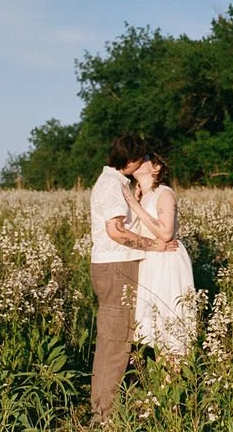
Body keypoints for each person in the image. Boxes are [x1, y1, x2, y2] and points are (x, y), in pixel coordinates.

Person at [89, 134, 178, 421]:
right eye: (139, 159)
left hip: (119, 265)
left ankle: (107, 411)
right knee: (114, 344)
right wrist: (156, 246)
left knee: (118, 341)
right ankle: (103, 416)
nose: (144, 162)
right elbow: (116, 231)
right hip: (116, 267)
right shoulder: (111, 186)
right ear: (128, 162)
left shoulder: (121, 184)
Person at [122, 152, 196, 360]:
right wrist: (136, 202)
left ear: (156, 168)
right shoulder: (141, 196)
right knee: (154, 325)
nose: (137, 161)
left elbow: (165, 233)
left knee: (170, 319)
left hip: (167, 260)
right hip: (151, 259)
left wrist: (135, 207)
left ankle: (174, 380)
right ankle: (164, 382)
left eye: (144, 159)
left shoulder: (164, 193)